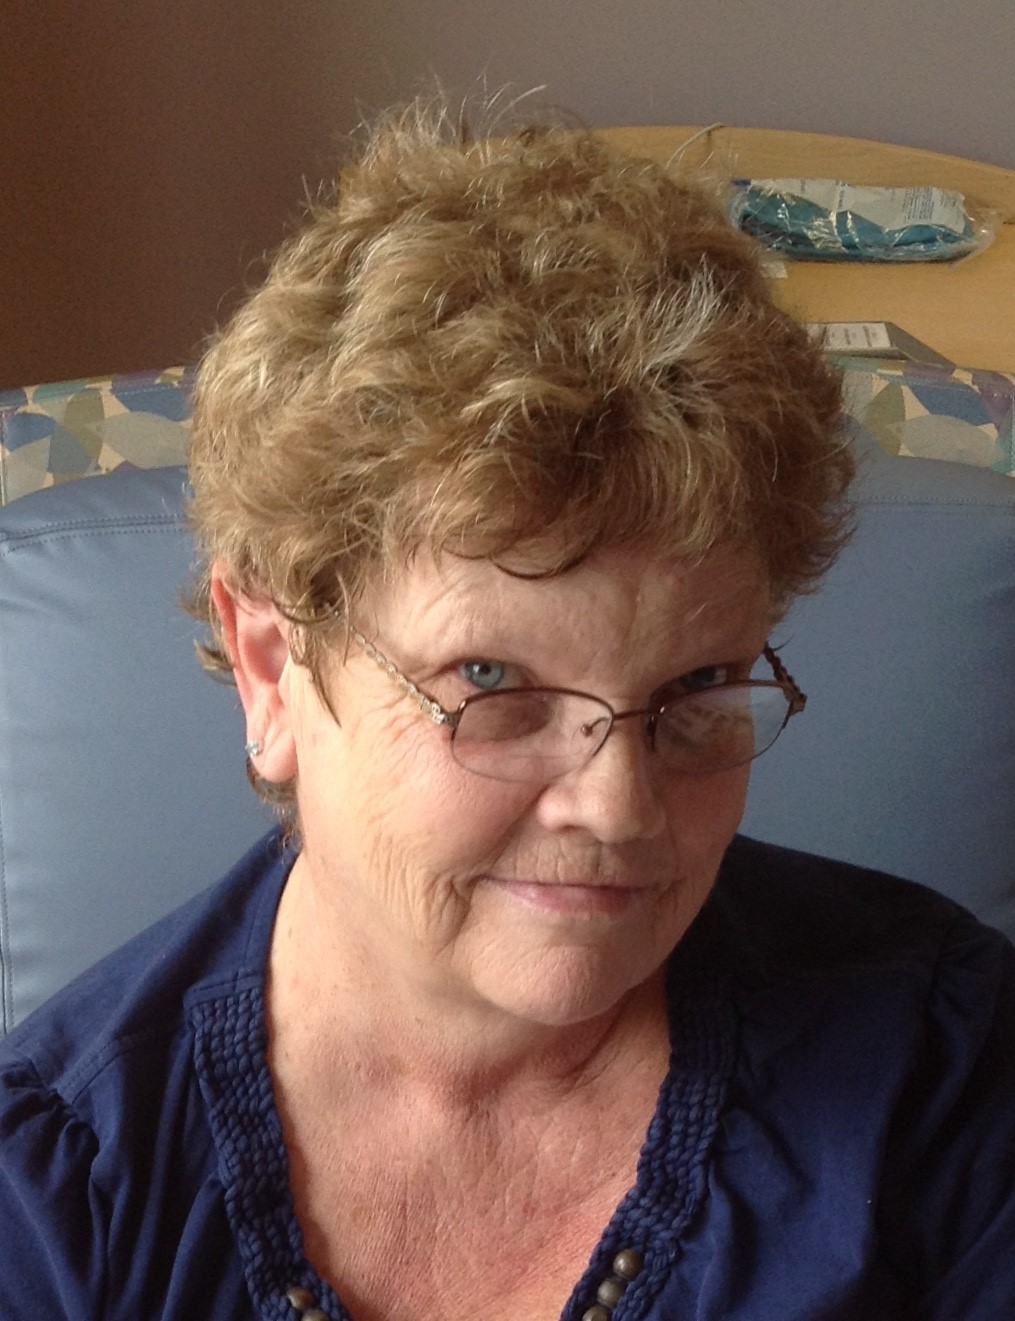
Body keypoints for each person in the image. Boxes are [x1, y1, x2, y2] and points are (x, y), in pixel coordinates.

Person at [1, 98, 1013, 1321]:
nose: (619, 807)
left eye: (696, 687)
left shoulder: (943, 1065)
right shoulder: (55, 1199)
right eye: (491, 683)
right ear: (272, 665)